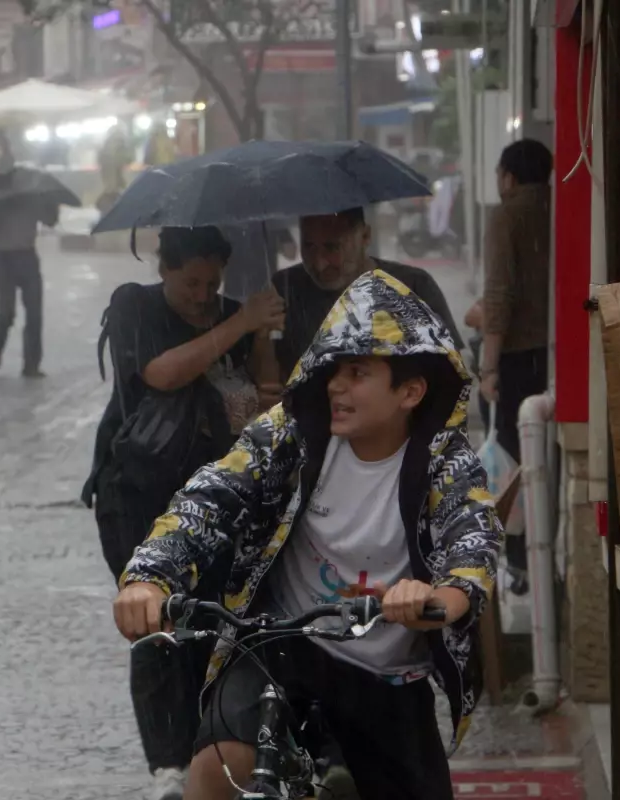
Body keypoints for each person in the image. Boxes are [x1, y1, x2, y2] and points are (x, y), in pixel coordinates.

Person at [113, 269, 503, 800]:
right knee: (215, 769)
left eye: (359, 372)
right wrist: (148, 578)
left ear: (410, 391)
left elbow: (473, 545)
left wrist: (439, 597)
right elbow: (209, 497)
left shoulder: (445, 462)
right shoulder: (294, 433)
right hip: (280, 647)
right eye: (334, 369)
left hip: (386, 675)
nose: (337, 386)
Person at [81, 226, 285, 800]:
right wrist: (239, 323)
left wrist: (261, 338)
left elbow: (257, 405)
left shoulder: (234, 316)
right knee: (155, 623)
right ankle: (166, 764)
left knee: (211, 624)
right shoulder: (134, 306)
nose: (201, 294)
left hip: (214, 500)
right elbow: (161, 373)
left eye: (212, 282)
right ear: (163, 268)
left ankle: (204, 751)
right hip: (136, 495)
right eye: (190, 282)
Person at [271, 207, 465, 383]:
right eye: (309, 246)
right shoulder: (283, 288)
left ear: (365, 236)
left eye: (332, 248)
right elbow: (263, 380)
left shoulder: (413, 286)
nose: (320, 264)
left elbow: (448, 372)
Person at [478, 139, 552, 463]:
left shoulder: (506, 216)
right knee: (547, 451)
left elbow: (498, 295)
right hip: (555, 354)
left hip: (517, 358)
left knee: (512, 452)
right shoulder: (558, 208)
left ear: (508, 177)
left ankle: (518, 514)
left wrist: (488, 369)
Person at [0, 156, 55, 378]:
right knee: (7, 313)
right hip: (4, 260)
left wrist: (50, 204)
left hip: (28, 257)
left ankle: (31, 364)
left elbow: (50, 221)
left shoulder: (32, 199)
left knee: (34, 313)